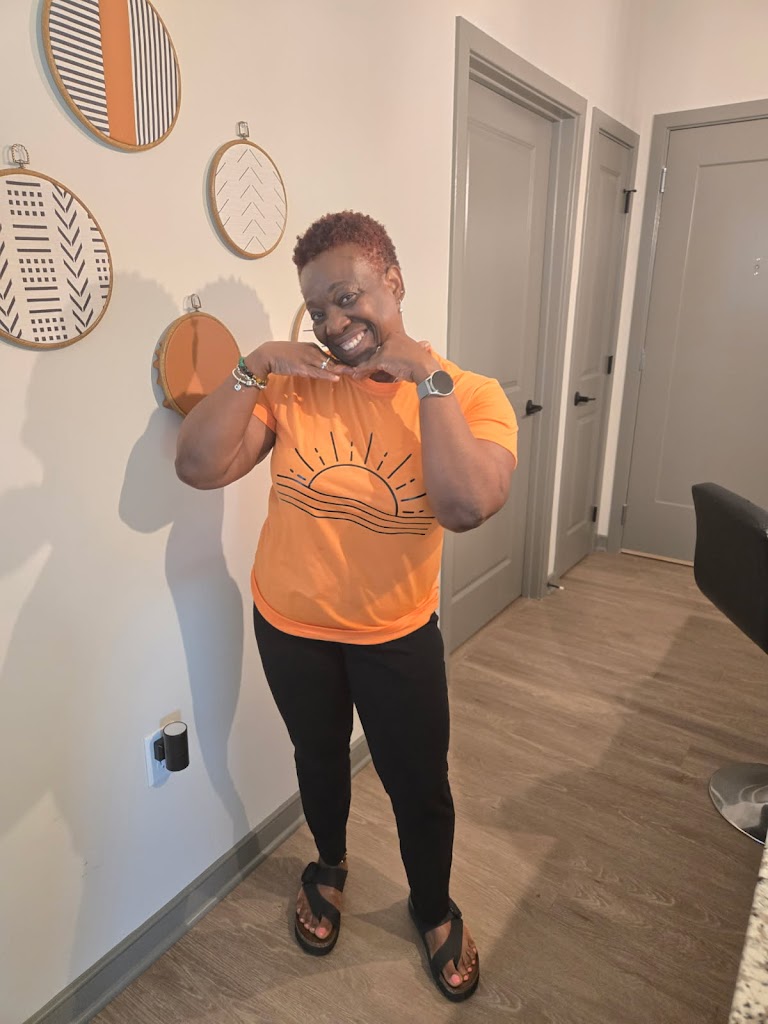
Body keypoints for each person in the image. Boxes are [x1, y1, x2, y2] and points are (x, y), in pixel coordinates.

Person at [175, 211, 518, 1001]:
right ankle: (328, 865)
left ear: (391, 281)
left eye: (347, 297)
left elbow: (466, 505)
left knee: (418, 782)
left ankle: (431, 906)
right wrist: (256, 364)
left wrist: (426, 378)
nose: (332, 323)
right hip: (289, 624)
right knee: (319, 757)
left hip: (395, 634)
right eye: (316, 309)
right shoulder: (294, 385)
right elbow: (198, 466)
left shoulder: (470, 394)